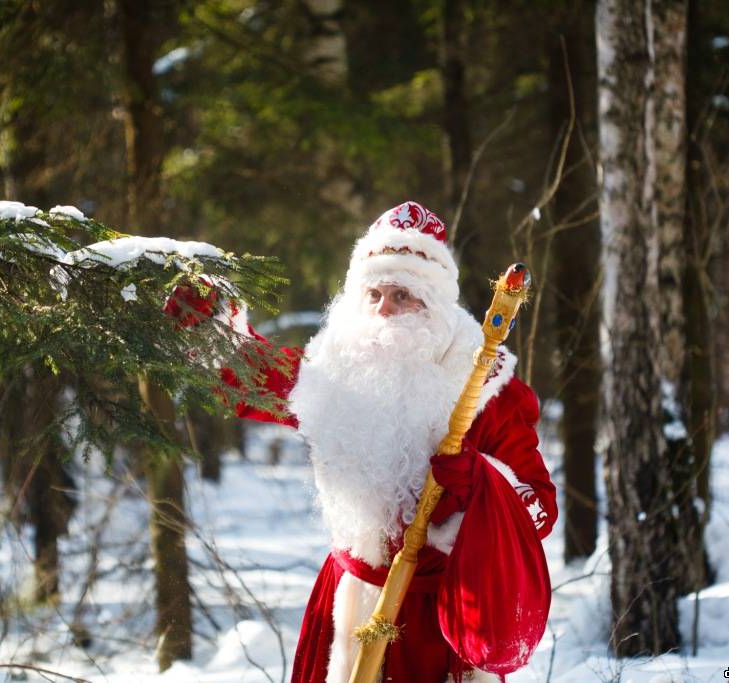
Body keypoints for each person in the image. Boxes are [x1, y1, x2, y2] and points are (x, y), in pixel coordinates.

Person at [170, 201, 555, 683]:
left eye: (402, 295)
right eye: (372, 294)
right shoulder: (336, 369)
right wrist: (210, 329)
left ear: (434, 304)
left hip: (444, 619)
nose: (383, 310)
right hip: (351, 607)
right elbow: (252, 377)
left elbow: (537, 506)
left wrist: (478, 482)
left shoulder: (486, 388)